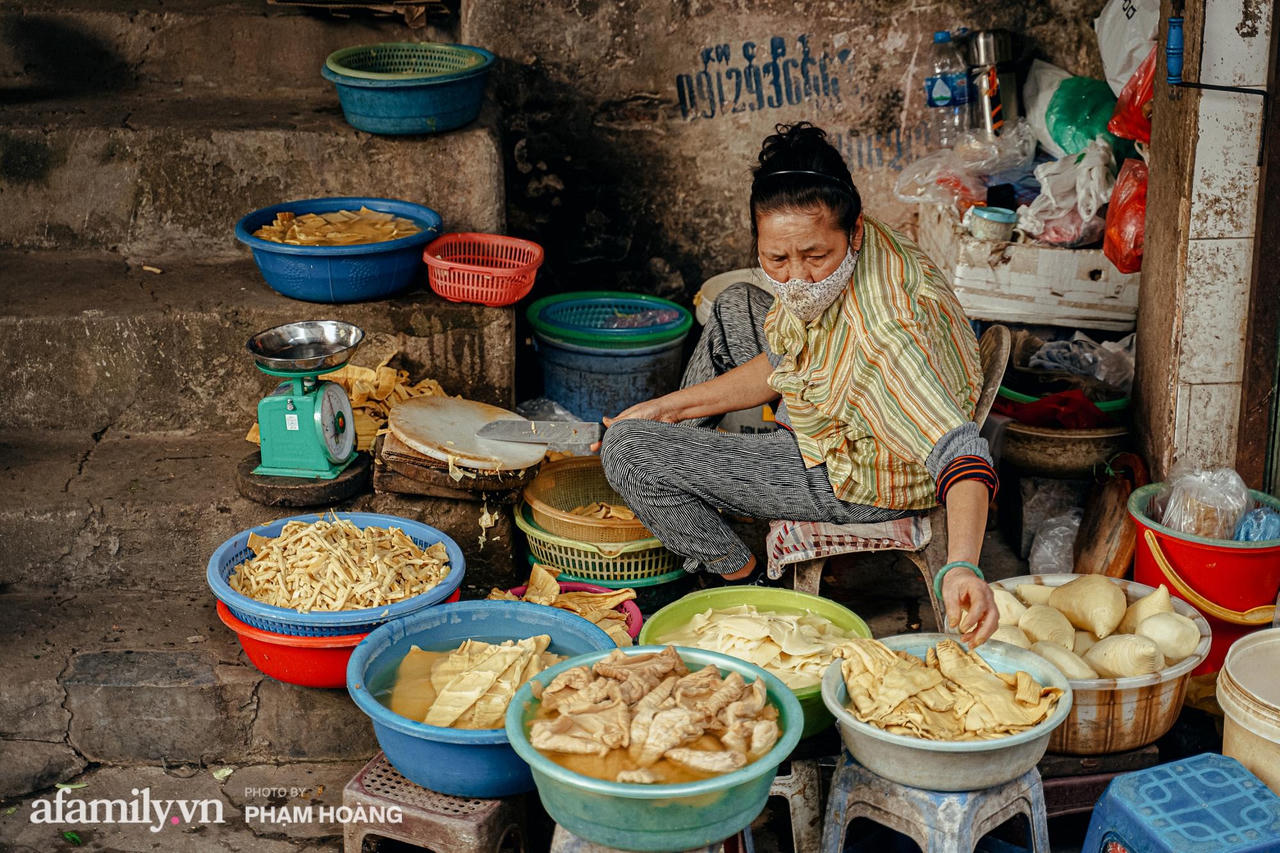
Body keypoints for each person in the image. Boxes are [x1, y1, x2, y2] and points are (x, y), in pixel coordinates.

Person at [599, 122, 998, 646]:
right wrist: (667, 410)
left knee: (625, 451)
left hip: (864, 472)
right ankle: (681, 487)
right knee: (736, 306)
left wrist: (962, 567)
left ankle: (734, 569)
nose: (796, 280)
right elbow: (788, 357)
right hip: (839, 401)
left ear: (853, 234)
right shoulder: (847, 230)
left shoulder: (886, 339)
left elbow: (964, 457)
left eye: (815, 257)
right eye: (776, 259)